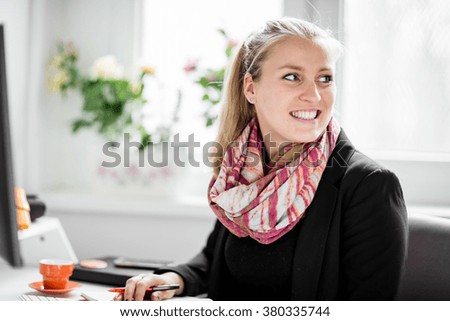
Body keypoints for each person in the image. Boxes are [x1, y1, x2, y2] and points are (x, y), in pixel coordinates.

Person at [116, 17, 408, 301]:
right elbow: (215, 260)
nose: (315, 95)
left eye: (325, 78)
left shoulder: (370, 187)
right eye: (293, 77)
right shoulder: (242, 170)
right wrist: (172, 279)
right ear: (250, 88)